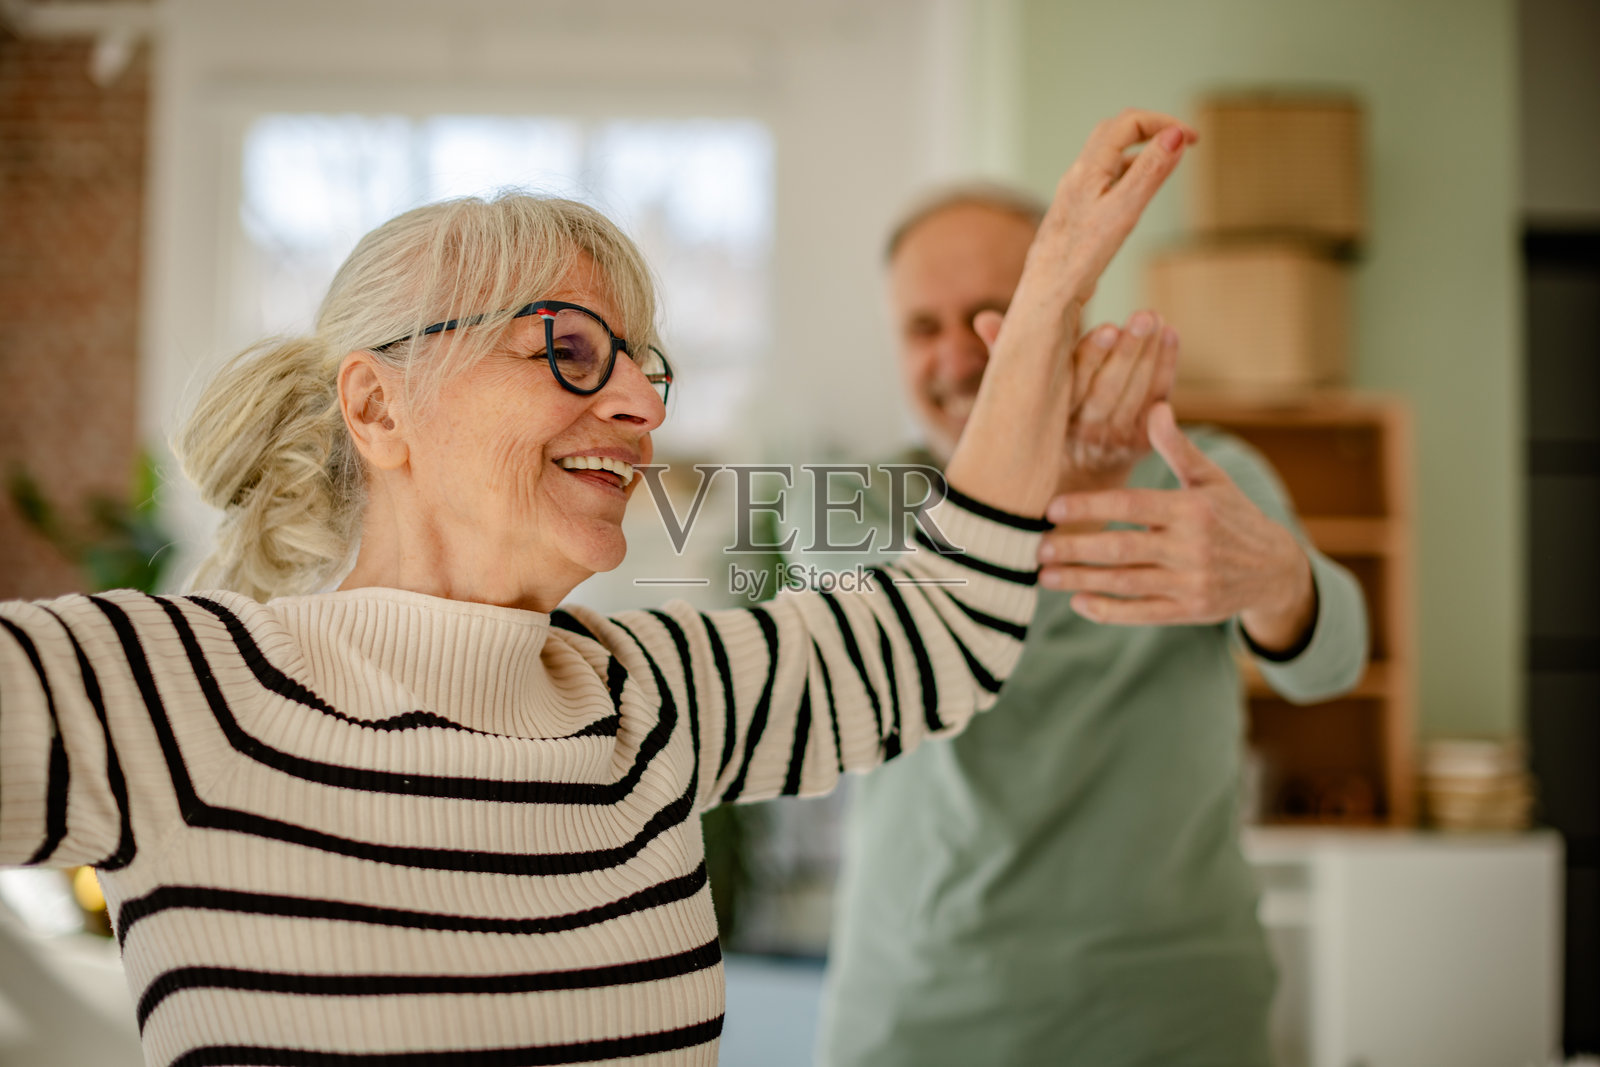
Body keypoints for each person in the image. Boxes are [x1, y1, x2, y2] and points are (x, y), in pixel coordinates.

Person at [0, 112, 1195, 1065]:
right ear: (378, 407)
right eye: (568, 347)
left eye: (643, 363)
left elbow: (937, 624)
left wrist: (1041, 309)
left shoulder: (647, 696)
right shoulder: (162, 692)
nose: (644, 405)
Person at [813, 185, 1371, 1066]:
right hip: (915, 1013)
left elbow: (1331, 665)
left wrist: (1275, 577)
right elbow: (889, 661)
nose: (956, 355)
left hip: (1170, 1017)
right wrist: (1040, 484)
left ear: (1067, 314)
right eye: (923, 327)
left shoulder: (1207, 475)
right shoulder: (856, 505)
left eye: (993, 314)